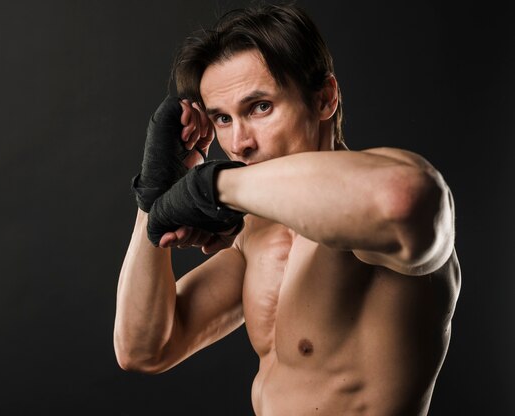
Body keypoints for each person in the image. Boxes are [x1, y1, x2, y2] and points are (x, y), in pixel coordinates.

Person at [114, 3, 461, 415]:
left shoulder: (373, 209)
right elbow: (144, 349)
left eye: (259, 107)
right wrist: (154, 199)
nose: (240, 142)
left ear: (325, 98)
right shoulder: (256, 236)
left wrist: (214, 186)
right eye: (222, 119)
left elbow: (400, 200)